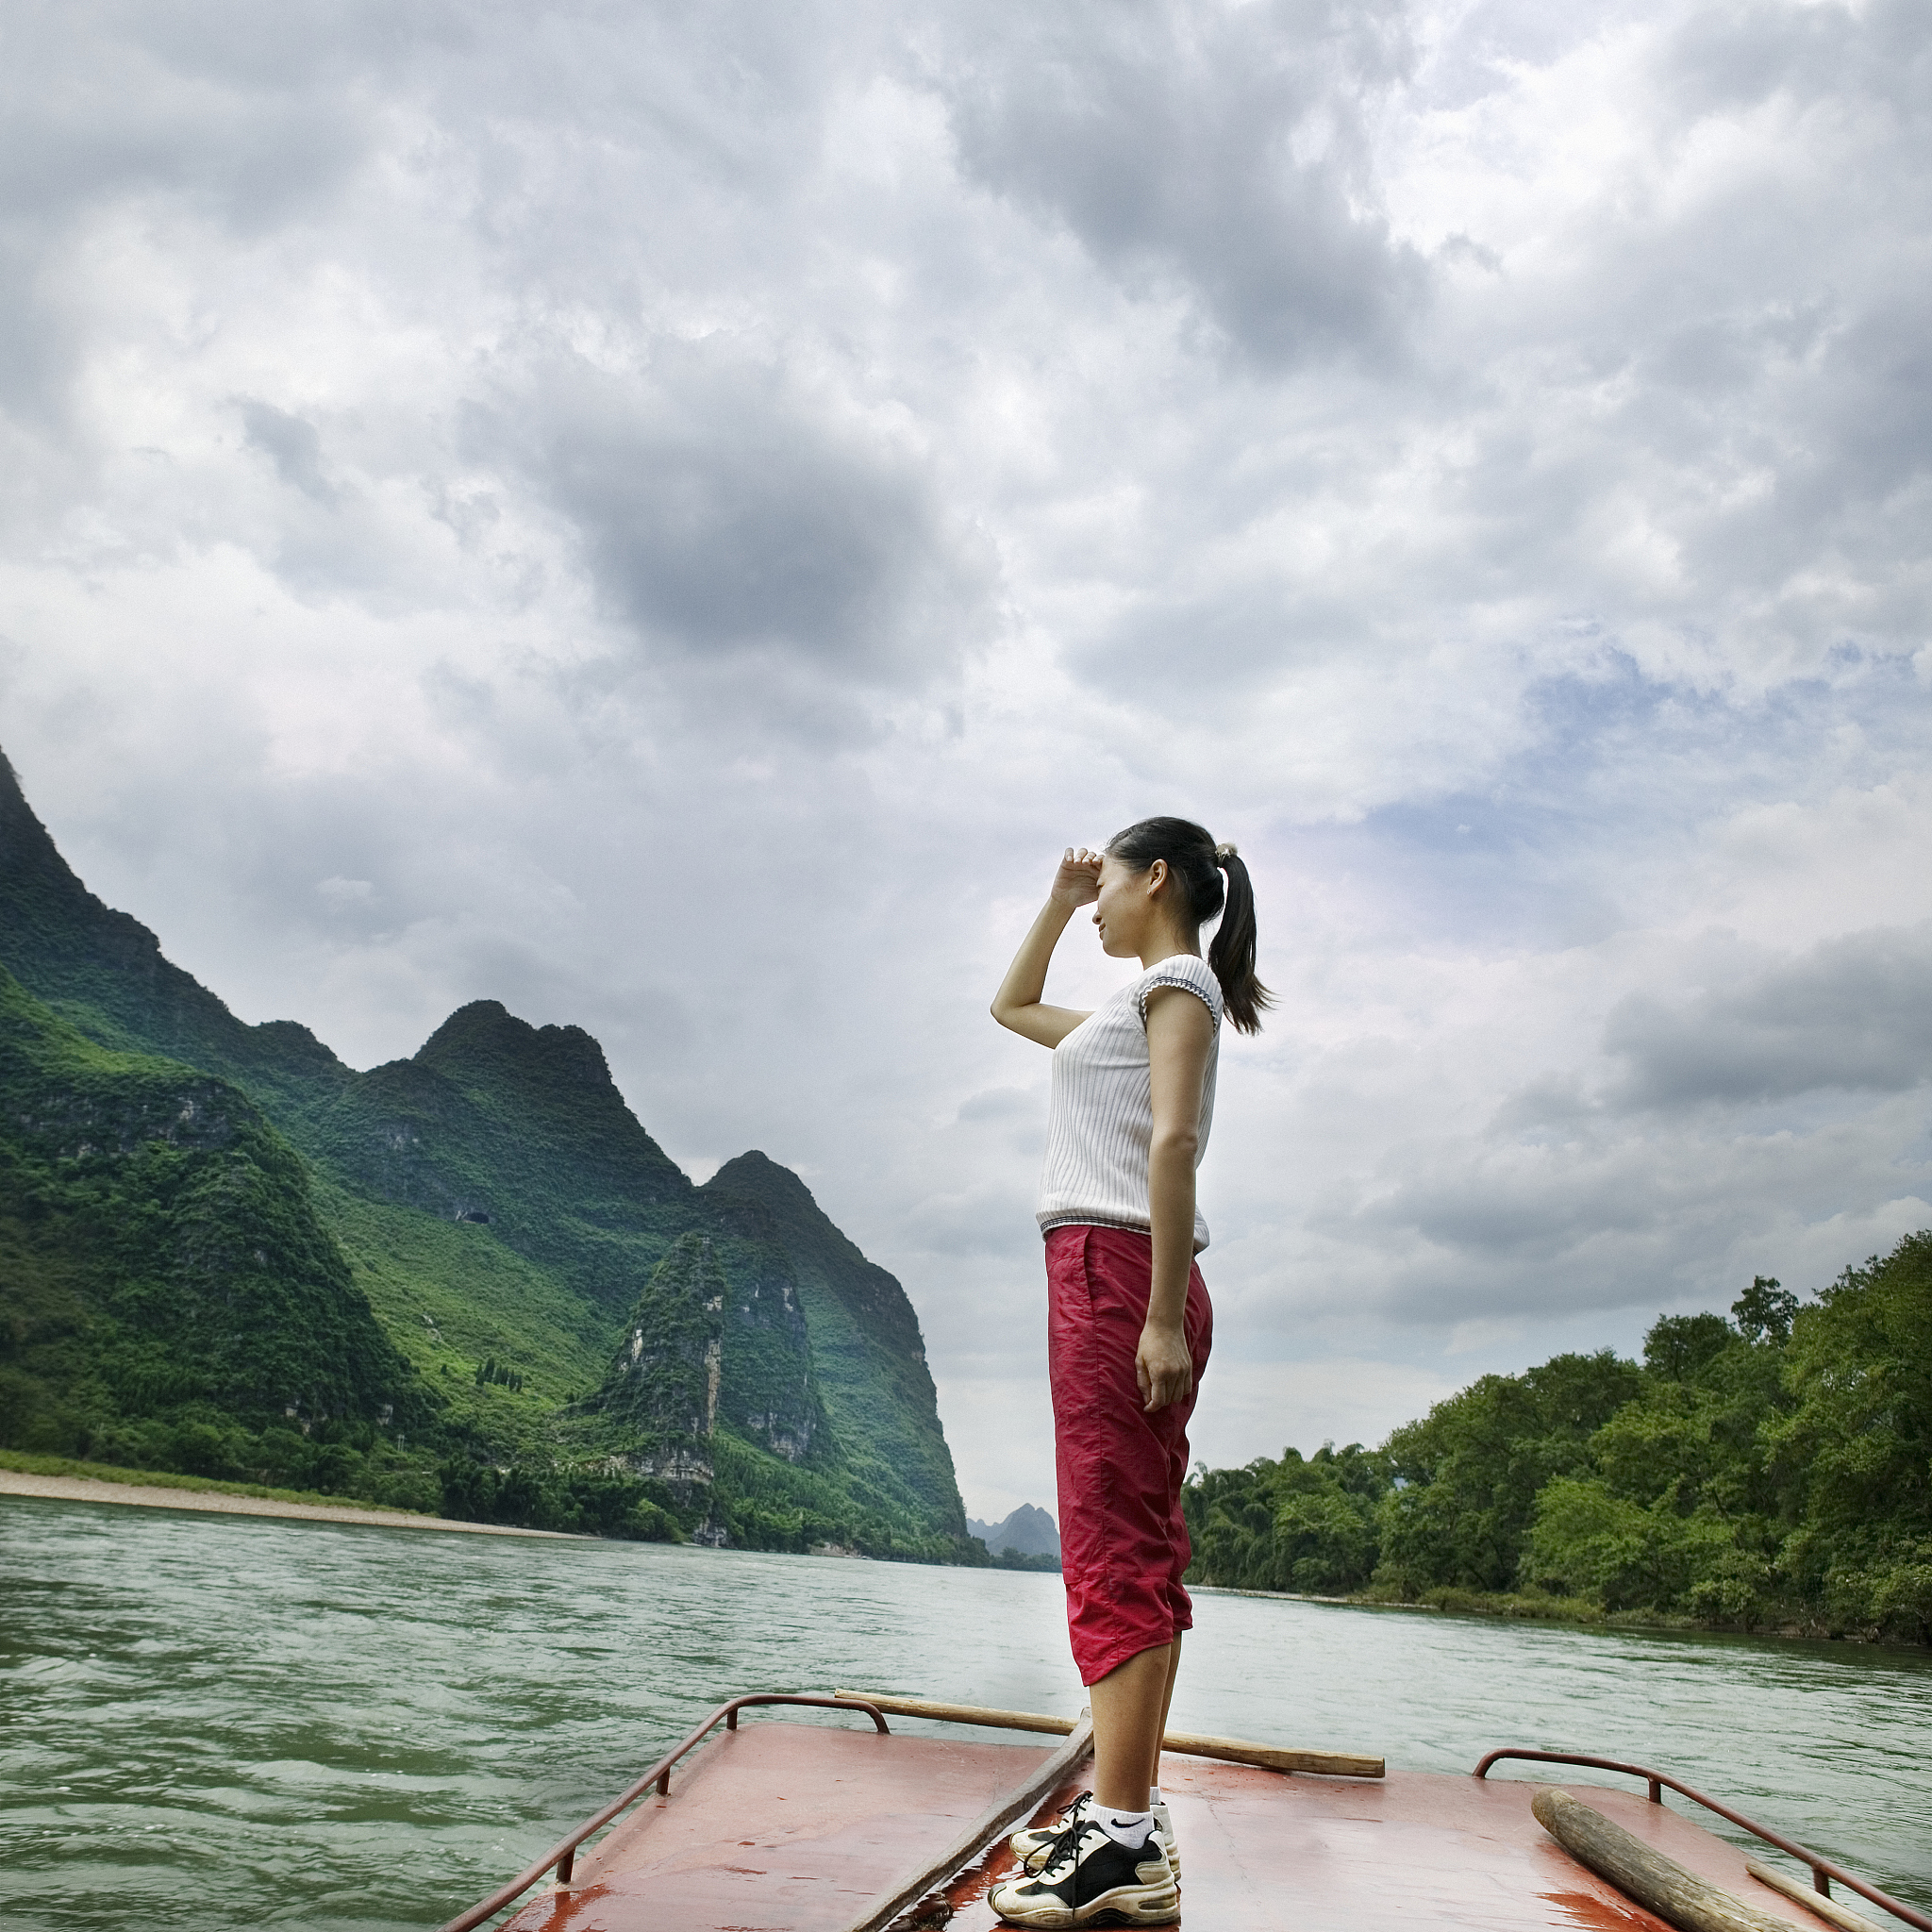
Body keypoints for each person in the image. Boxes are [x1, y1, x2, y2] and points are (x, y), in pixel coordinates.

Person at [984, 817, 1269, 1929]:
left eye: (1102, 881)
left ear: (1156, 878)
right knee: (1118, 1540)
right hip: (1095, 1269)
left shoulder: (1178, 985)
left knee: (1116, 1544)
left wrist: (1156, 1315)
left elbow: (1174, 1144)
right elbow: (1010, 1009)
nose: (1094, 900)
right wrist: (1054, 901)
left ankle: (1119, 1835)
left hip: (1119, 1271)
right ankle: (1126, 1825)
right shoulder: (1123, 1002)